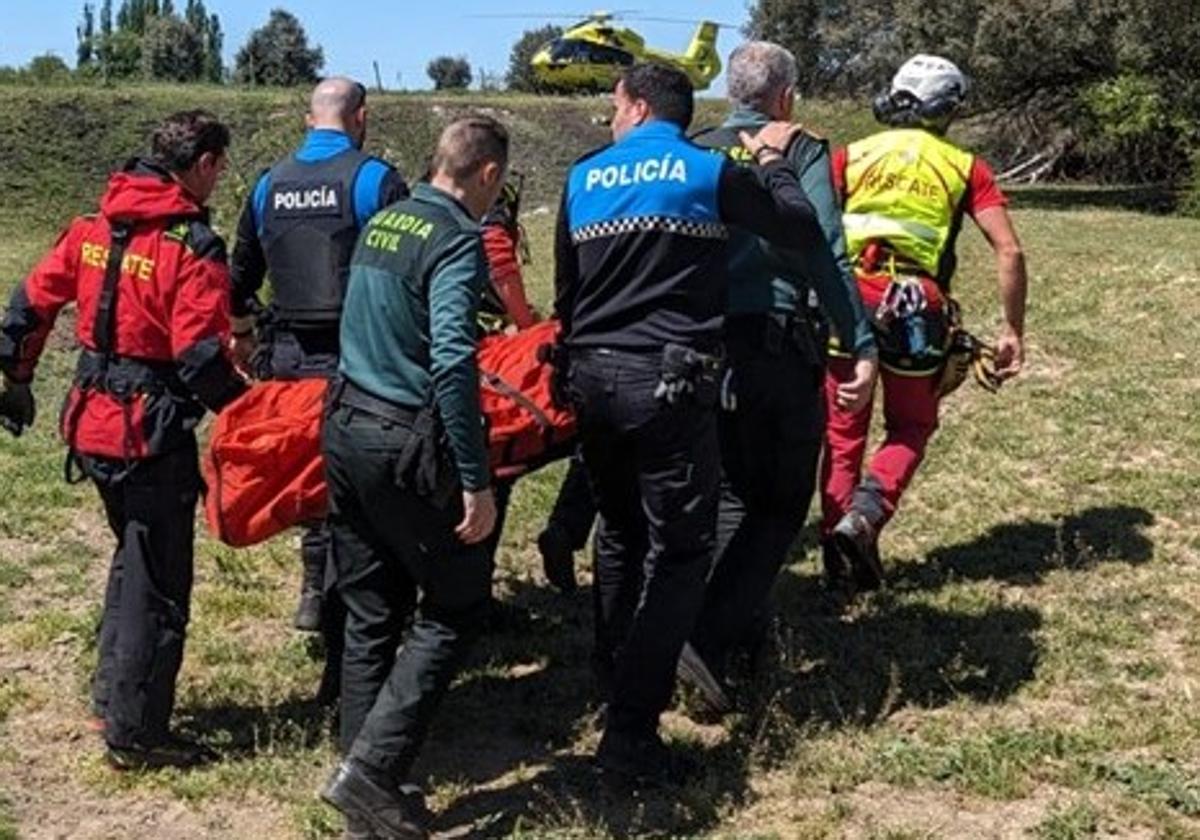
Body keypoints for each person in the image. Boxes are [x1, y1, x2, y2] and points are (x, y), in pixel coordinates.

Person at [555, 63, 829, 782]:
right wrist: (773, 162)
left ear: (641, 107)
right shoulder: (706, 170)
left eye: (613, 104)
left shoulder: (582, 177)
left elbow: (567, 290)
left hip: (591, 375)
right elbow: (799, 228)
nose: (610, 118)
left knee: (618, 530)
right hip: (668, 384)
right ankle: (632, 734)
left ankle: (609, 673)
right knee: (679, 552)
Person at [0, 111, 246, 769]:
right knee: (159, 581)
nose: (220, 178)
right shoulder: (191, 245)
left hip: (91, 423)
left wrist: (18, 376)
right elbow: (198, 356)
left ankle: (113, 698)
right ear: (200, 165)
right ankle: (135, 735)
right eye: (219, 165)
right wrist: (247, 411)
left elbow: (27, 306)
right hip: (150, 430)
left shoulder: (92, 229)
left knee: (131, 558)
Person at [319, 116, 507, 840]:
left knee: (371, 608)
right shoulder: (457, 238)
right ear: (486, 175)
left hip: (344, 424)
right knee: (456, 604)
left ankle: (363, 777)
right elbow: (454, 361)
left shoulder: (386, 222)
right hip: (404, 436)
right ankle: (371, 772)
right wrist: (475, 477)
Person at [677, 41, 878, 712]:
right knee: (783, 504)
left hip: (706, 344)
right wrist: (859, 343)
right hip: (777, 342)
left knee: (735, 493)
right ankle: (704, 640)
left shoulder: (697, 148)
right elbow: (822, 247)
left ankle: (735, 649)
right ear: (785, 96)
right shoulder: (798, 147)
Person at [821, 54, 1027, 591]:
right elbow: (1009, 252)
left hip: (848, 298)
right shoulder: (964, 166)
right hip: (917, 303)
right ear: (949, 107)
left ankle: (836, 554)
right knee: (912, 424)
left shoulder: (851, 156)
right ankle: (865, 517)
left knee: (844, 432)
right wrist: (1013, 331)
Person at [228, 76, 409, 636]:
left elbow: (238, 277)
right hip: (358, 358)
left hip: (286, 358)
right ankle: (357, 605)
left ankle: (313, 589)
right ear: (361, 117)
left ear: (310, 120)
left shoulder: (267, 186)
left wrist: (241, 336)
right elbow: (405, 273)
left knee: (311, 474)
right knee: (361, 486)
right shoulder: (375, 180)